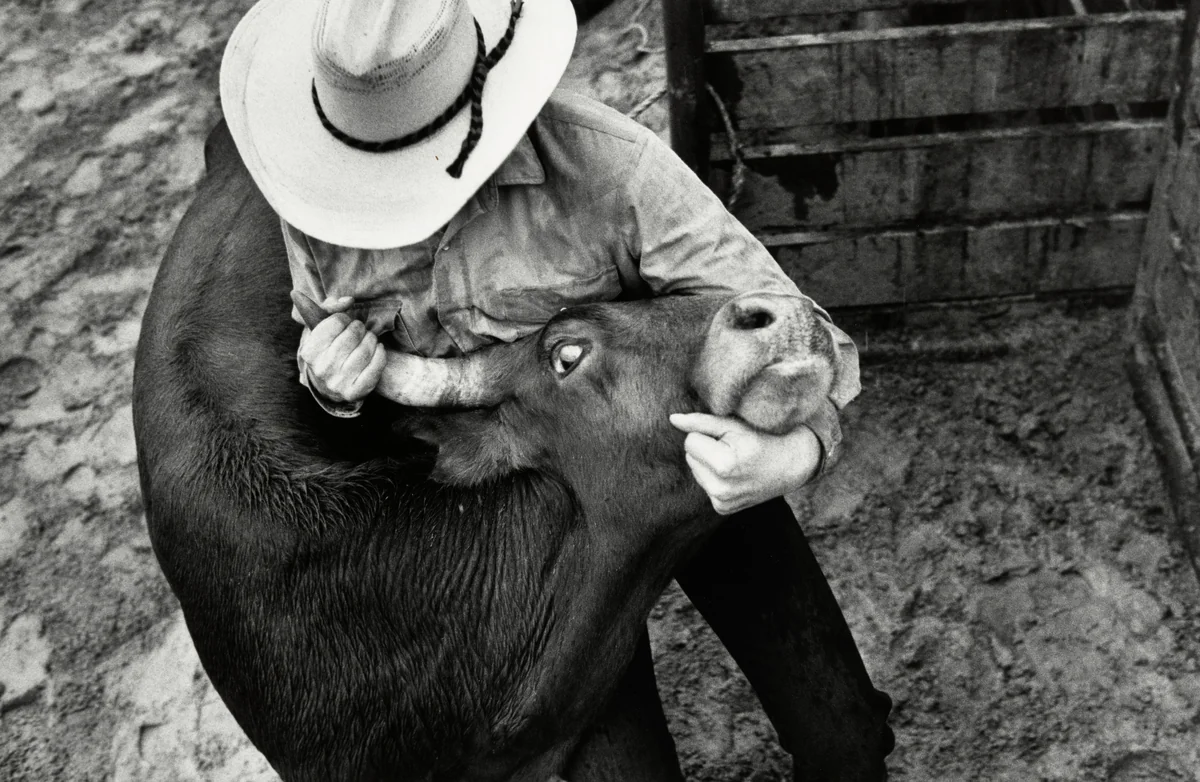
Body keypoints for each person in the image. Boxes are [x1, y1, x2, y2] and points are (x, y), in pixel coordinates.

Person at [219, 0, 894, 776]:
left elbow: (805, 331)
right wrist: (330, 376)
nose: (390, 191)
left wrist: (792, 458)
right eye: (375, 161)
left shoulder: (611, 164)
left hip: (684, 459)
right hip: (527, 531)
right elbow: (323, 334)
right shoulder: (321, 203)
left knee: (845, 741)